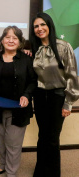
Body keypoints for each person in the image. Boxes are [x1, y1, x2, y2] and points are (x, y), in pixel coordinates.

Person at [30, 12, 79, 177]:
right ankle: (40, 171)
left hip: (57, 97)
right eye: (36, 26)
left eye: (43, 24)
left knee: (52, 138)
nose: (39, 29)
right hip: (39, 96)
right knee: (42, 135)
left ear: (49, 25)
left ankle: (52, 173)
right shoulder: (34, 49)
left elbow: (72, 76)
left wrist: (68, 103)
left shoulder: (63, 46)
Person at [0, 26, 37, 177]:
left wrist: (27, 95)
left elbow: (33, 81)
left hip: (18, 109)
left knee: (13, 144)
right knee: (1, 142)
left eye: (14, 38)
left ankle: (11, 172)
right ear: (2, 40)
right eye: (7, 37)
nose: (10, 40)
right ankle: (2, 165)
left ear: (20, 42)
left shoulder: (26, 59)